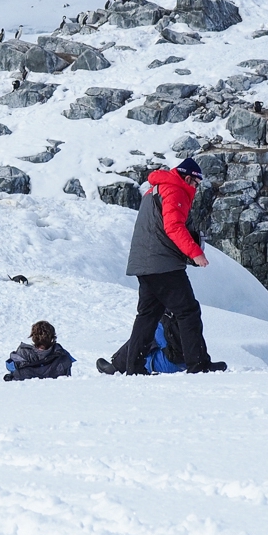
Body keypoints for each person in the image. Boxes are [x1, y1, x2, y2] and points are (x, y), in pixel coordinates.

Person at [121, 158, 226, 374]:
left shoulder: (155, 189)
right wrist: (195, 253)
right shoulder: (174, 190)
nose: (196, 189)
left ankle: (133, 367)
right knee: (188, 311)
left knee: (148, 315)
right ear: (188, 178)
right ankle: (198, 364)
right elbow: (174, 226)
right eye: (196, 184)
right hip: (162, 264)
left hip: (145, 263)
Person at [97, 312, 185, 375]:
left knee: (142, 335)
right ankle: (117, 365)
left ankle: (115, 368)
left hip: (168, 367)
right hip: (190, 365)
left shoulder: (164, 318)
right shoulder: (189, 315)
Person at [4, 320, 74, 381]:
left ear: (33, 337)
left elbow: (13, 374)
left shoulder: (22, 354)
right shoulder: (62, 357)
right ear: (52, 337)